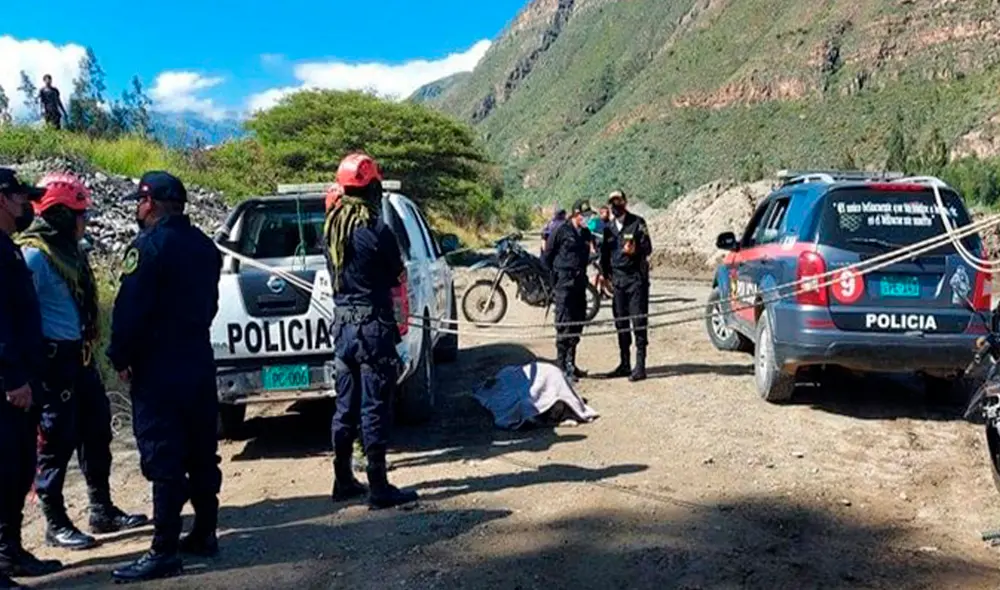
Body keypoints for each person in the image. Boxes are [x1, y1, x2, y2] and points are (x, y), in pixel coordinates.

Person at [16, 173, 149, 552]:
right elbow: (19, 313)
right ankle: (54, 522)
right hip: (53, 363)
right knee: (56, 441)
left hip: (81, 359)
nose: (84, 221)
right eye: (78, 214)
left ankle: (101, 508)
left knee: (96, 433)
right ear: (58, 215)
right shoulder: (35, 257)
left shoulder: (70, 251)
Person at [107, 171, 223, 583]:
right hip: (197, 358)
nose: (137, 210)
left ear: (151, 202)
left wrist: (119, 355)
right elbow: (210, 304)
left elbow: (129, 311)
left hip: (159, 367)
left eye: (139, 203)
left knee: (164, 455)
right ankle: (205, 532)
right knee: (201, 449)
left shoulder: (148, 247)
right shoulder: (206, 247)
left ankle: (163, 549)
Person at [325, 153, 418, 510]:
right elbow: (397, 274)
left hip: (343, 328)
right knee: (375, 403)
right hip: (373, 328)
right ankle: (378, 485)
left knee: (345, 405)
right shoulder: (377, 231)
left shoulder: (333, 228)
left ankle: (342, 478)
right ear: (372, 187)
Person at [0, 169, 63, 590]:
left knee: (19, 469)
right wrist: (12, 378)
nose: (28, 204)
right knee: (3, 470)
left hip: (23, 379)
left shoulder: (7, 246)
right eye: (21, 197)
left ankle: (11, 552)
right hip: (9, 384)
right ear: (2, 198)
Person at [600, 190, 653, 382]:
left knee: (638, 323)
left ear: (625, 202)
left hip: (636, 280)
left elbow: (648, 248)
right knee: (621, 323)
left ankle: (640, 366)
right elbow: (604, 256)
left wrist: (636, 249)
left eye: (619, 201)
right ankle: (624, 364)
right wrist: (604, 277)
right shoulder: (608, 228)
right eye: (612, 202)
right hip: (618, 283)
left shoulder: (638, 223)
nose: (616, 205)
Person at [542, 199, 593, 382]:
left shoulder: (586, 233)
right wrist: (556, 277)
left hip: (579, 283)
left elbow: (587, 256)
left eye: (588, 215)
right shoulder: (561, 230)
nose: (586, 219)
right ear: (575, 214)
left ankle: (572, 363)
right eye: (584, 215)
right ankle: (562, 366)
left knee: (577, 322)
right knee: (564, 323)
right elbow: (547, 255)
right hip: (564, 283)